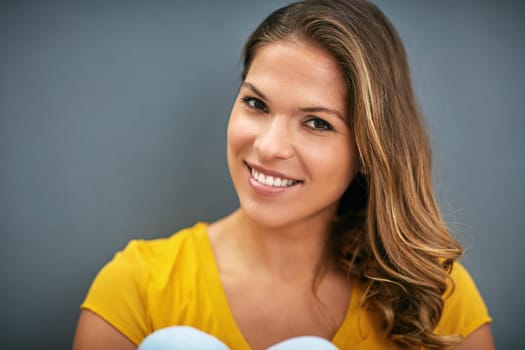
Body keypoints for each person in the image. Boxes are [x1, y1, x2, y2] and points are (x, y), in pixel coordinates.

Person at [72, 0, 494, 349]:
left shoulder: (434, 297)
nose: (270, 146)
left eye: (317, 123)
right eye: (256, 104)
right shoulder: (137, 287)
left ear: (370, 148)